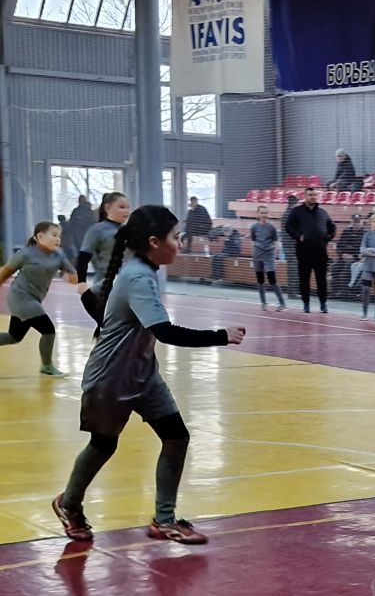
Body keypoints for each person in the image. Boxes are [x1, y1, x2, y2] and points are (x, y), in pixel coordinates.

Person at [51, 205, 246, 545]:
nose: (180, 243)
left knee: (176, 437)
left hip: (143, 375)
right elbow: (165, 332)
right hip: (110, 378)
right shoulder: (138, 276)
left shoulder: (145, 271)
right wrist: (221, 335)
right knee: (102, 445)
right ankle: (68, 504)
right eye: (176, 237)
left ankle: (164, 520)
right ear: (154, 242)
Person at [0, 221, 78, 376]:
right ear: (40, 236)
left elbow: (73, 275)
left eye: (59, 236)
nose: (58, 239)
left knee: (14, 337)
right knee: (48, 330)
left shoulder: (59, 255)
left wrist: (70, 277)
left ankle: (46, 366)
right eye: (54, 235)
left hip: (34, 299)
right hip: (20, 298)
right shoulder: (25, 254)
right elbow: (6, 271)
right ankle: (47, 367)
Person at [77, 191, 132, 329]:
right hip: (104, 286)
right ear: (108, 208)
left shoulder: (129, 230)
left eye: (128, 207)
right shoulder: (97, 230)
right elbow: (83, 258)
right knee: (111, 328)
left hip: (126, 286)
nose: (126, 211)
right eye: (121, 207)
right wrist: (81, 282)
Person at [285, 187, 337, 313]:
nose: (312, 197)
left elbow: (332, 227)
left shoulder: (323, 212)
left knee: (321, 278)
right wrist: (298, 236)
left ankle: (323, 303)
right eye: (310, 195)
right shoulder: (297, 211)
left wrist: (327, 238)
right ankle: (306, 303)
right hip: (303, 250)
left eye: (314, 195)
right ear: (305, 196)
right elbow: (288, 226)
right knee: (304, 278)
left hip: (320, 250)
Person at [251, 205, 286, 311]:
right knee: (260, 280)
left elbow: (276, 242)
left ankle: (282, 303)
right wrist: (254, 256)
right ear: (258, 214)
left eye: (265, 213)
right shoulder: (254, 227)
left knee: (272, 279)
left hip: (269, 255)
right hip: (257, 256)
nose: (264, 215)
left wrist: (276, 255)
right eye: (262, 213)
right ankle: (263, 302)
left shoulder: (271, 228)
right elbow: (253, 241)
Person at [64, 195, 96, 261]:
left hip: (83, 234)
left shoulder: (88, 212)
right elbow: (72, 222)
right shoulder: (77, 211)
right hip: (79, 234)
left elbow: (93, 223)